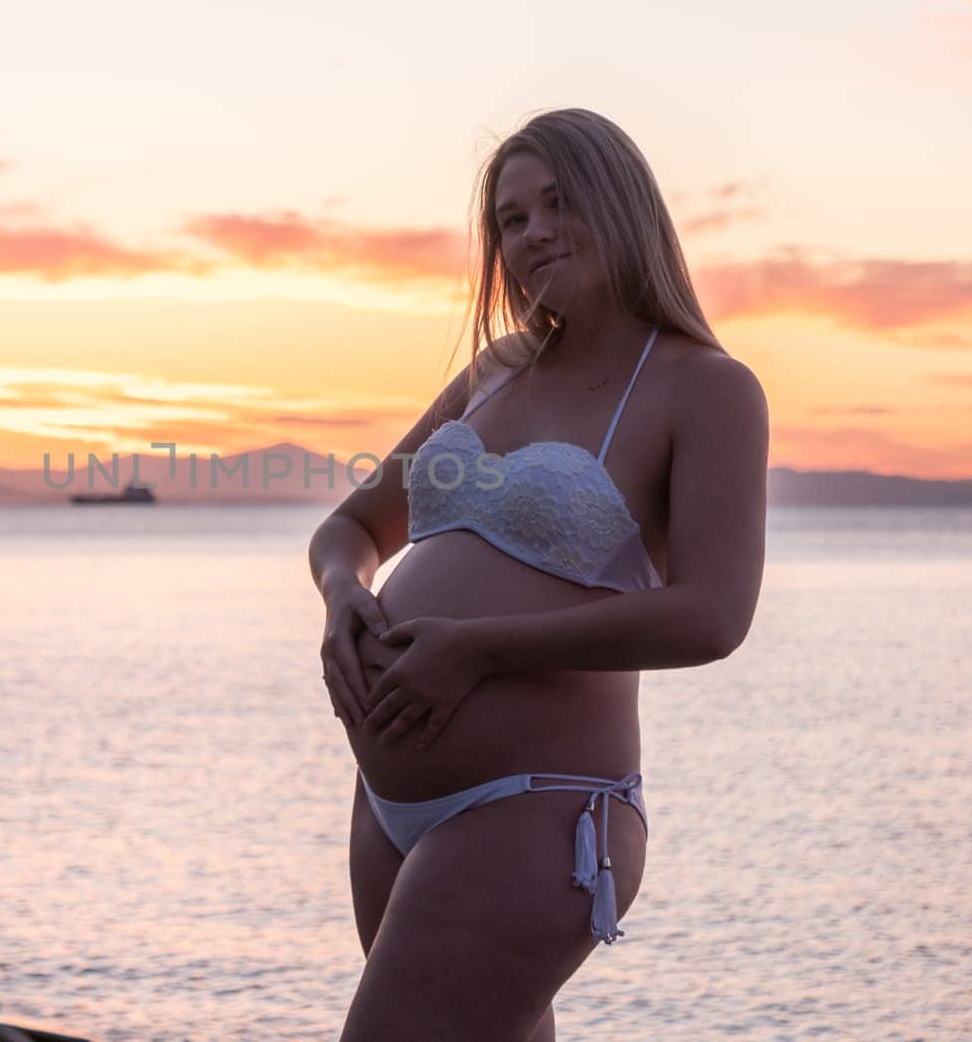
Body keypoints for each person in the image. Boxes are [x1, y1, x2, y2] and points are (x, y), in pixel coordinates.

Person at [306, 108, 769, 1040]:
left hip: (542, 807)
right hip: (391, 803)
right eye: (510, 221)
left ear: (623, 204)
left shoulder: (705, 387)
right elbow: (351, 527)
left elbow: (713, 617)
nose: (532, 235)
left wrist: (476, 651)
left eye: (558, 203)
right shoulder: (494, 374)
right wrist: (344, 597)